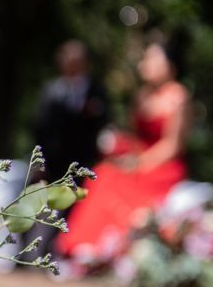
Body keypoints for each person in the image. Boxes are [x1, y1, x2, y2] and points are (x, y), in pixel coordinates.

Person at [57, 40, 190, 269]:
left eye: (152, 58)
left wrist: (140, 162)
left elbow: (172, 145)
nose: (145, 63)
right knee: (102, 173)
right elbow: (135, 137)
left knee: (120, 181)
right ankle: (84, 245)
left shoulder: (178, 97)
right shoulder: (141, 95)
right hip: (138, 159)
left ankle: (109, 247)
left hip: (163, 166)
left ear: (169, 65)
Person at [36, 40, 110, 182]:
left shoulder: (97, 91)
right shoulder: (51, 91)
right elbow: (41, 129)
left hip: (87, 164)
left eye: (76, 62)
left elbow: (103, 123)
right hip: (54, 165)